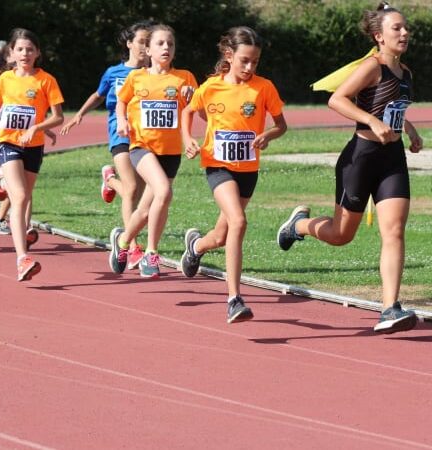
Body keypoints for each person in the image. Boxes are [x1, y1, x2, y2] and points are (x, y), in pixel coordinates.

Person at [276, 2, 423, 334]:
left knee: (394, 230)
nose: (404, 32)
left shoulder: (406, 73)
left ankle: (389, 308)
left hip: (392, 159)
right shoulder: (372, 67)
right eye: (396, 28)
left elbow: (392, 108)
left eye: (405, 27)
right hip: (360, 157)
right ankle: (298, 226)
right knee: (341, 236)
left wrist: (409, 130)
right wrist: (371, 120)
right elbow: (337, 99)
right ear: (378, 36)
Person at [180, 26, 287, 323]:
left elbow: (282, 124)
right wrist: (188, 138)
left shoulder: (263, 87)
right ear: (229, 55)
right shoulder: (211, 87)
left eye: (255, 61)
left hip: (248, 170)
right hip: (218, 165)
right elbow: (188, 111)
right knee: (239, 221)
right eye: (245, 61)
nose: (250, 67)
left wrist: (269, 134)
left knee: (220, 235)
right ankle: (234, 299)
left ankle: (196, 246)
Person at [60, 20, 154, 270]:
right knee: (132, 188)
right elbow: (98, 95)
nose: (146, 46)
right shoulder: (114, 73)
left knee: (141, 193)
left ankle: (110, 180)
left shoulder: (154, 74)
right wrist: (80, 114)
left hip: (145, 138)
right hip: (120, 134)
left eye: (149, 42)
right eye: (143, 41)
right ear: (130, 43)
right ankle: (131, 246)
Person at [0, 28, 65, 281]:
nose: (25, 53)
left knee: (23, 195)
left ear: (38, 53)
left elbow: (58, 117)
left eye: (30, 49)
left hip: (33, 146)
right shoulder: (5, 79)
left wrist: (38, 128)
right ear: (11, 53)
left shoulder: (46, 80)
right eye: (20, 49)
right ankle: (22, 258)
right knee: (20, 196)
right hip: (9, 143)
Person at [107, 23, 198, 278]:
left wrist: (192, 101)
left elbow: (197, 110)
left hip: (170, 152)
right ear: (147, 49)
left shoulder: (185, 78)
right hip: (141, 147)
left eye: (170, 43)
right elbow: (121, 102)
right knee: (164, 191)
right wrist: (122, 121)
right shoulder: (136, 77)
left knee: (147, 208)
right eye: (160, 43)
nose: (166, 48)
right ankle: (151, 253)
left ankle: (123, 241)